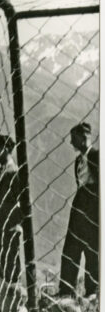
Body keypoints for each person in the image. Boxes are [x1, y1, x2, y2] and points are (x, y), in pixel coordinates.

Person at [59, 122, 99, 297]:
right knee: (71, 249)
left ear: (83, 138)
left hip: (93, 210)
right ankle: (66, 290)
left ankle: (93, 291)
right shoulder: (78, 161)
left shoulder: (97, 157)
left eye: (74, 138)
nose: (71, 143)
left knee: (92, 251)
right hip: (79, 207)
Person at [0, 135, 24, 284]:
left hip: (9, 228)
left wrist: (18, 225)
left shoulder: (14, 172)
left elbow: (23, 201)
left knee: (10, 266)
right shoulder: (0, 172)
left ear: (5, 148)